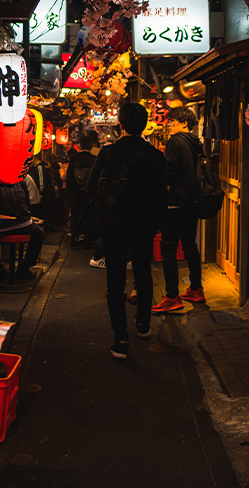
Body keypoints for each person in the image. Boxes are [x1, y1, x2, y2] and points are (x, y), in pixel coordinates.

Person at [86, 102, 165, 359]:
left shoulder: (107, 154)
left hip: (114, 225)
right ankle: (143, 323)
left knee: (115, 279)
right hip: (143, 226)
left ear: (120, 124)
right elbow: (160, 195)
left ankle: (120, 339)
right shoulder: (155, 156)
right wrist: (157, 224)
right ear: (144, 125)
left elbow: (90, 191)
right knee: (143, 274)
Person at [153, 106, 205, 313]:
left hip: (175, 203)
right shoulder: (196, 143)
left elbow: (170, 170)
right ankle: (196, 288)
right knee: (190, 245)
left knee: (168, 248)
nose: (169, 124)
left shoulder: (175, 141)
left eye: (173, 120)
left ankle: (172, 296)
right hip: (192, 202)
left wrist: (161, 191)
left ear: (184, 123)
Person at [0, 178, 46, 283]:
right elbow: (27, 204)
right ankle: (24, 268)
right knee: (39, 234)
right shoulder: (19, 180)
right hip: (22, 223)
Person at [66, 135, 97, 245]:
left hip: (76, 193)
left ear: (79, 146)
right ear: (91, 146)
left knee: (74, 215)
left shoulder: (74, 159)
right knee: (89, 215)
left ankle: (75, 237)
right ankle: (87, 239)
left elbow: (69, 178)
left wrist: (69, 194)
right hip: (90, 194)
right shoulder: (94, 160)